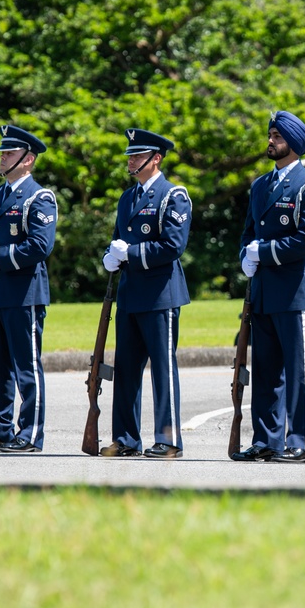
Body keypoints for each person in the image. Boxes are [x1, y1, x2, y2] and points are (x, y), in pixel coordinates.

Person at [232, 111, 305, 463]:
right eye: (270, 134)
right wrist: (246, 254)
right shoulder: (261, 186)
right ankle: (267, 440)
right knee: (266, 371)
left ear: (293, 142)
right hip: (264, 292)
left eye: (277, 136)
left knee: (300, 372)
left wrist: (265, 252)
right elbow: (248, 233)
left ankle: (303, 442)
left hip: (294, 292)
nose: (270, 141)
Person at [99, 129, 192, 458]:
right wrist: (110, 257)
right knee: (125, 370)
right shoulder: (129, 198)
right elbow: (117, 240)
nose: (130, 160)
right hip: (130, 294)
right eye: (130, 155)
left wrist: (131, 254)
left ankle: (168, 439)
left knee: (163, 369)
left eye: (137, 155)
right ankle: (126, 438)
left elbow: (173, 245)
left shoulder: (173, 196)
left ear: (156, 158)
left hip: (160, 295)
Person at [0, 125, 57, 454]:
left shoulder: (39, 197)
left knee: (26, 367)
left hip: (25, 293)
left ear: (28, 159)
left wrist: (0, 256)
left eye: (10, 153)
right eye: (3, 153)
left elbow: (40, 246)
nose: (3, 157)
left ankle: (30, 433)